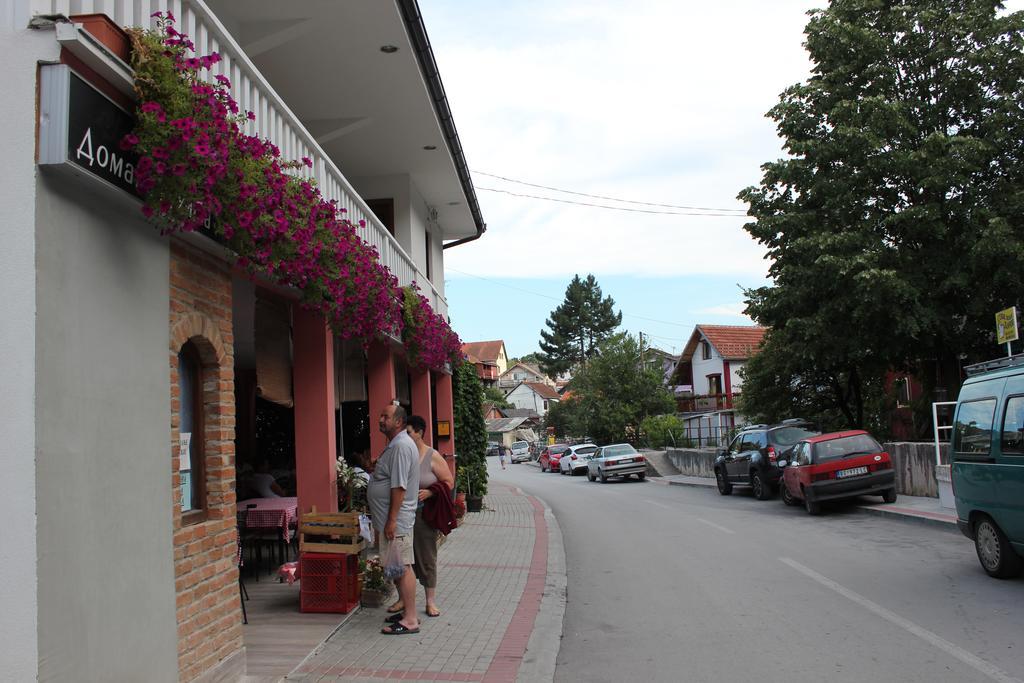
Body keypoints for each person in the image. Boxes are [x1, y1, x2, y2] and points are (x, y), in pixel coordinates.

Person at [385, 414, 455, 619]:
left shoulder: (431, 456)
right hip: (401, 515)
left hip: (423, 514)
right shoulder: (401, 453)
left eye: (409, 432)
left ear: (419, 433)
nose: (405, 436)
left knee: (426, 557)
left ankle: (430, 601)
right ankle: (402, 599)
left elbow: (449, 481)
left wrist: (431, 492)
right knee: (401, 559)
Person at [368, 403, 420, 635]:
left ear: (398, 422)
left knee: (403, 568)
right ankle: (406, 609)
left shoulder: (400, 446)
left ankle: (410, 619)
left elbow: (398, 486)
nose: (380, 419)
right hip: (391, 521)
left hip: (396, 521)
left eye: (385, 416)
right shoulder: (396, 445)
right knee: (396, 566)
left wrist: (391, 520)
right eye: (381, 415)